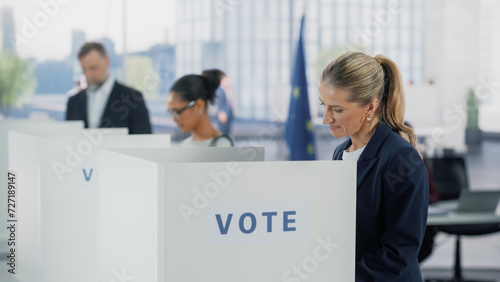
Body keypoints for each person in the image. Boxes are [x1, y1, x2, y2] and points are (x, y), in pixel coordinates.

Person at [319, 52, 429, 281]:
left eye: (337, 109)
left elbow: (399, 254)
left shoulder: (401, 160)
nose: (326, 119)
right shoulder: (340, 153)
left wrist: (341, 277)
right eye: (324, 106)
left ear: (370, 108)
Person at [66, 42, 152, 134]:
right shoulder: (73, 102)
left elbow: (144, 140)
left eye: (93, 68)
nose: (88, 74)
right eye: (84, 69)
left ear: (107, 61)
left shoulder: (133, 98)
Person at [167, 74, 233, 147]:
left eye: (178, 112)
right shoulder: (183, 145)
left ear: (199, 106)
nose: (174, 119)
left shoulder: (222, 145)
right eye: (171, 112)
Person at [201, 69, 233, 136]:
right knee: (223, 132)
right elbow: (220, 103)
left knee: (226, 132)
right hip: (223, 114)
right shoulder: (219, 90)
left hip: (227, 114)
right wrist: (221, 112)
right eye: (227, 79)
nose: (228, 81)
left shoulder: (225, 89)